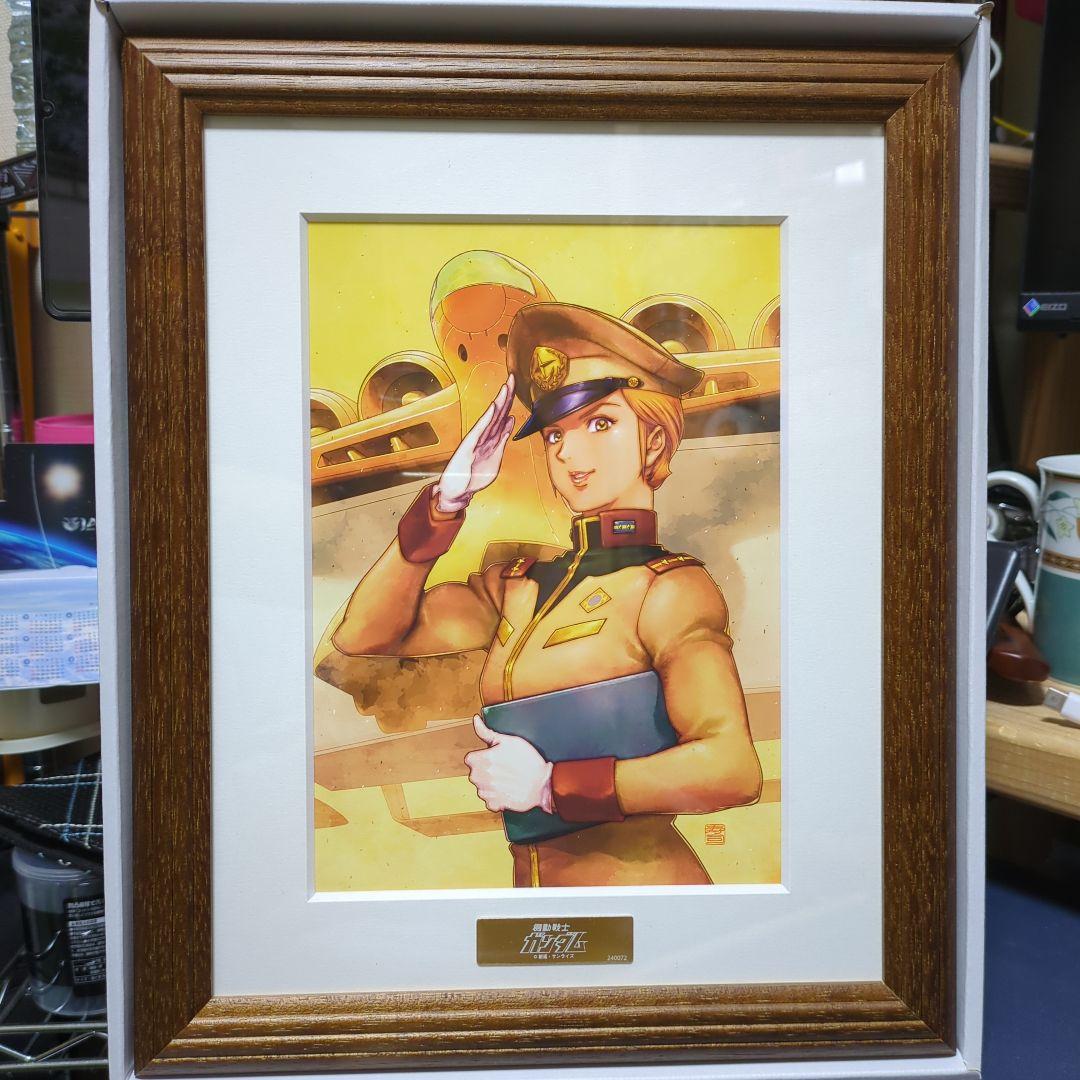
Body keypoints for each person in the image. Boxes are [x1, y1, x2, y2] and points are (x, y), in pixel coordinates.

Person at [331, 302, 762, 887]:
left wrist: (552, 787)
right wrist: (446, 504)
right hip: (536, 898)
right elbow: (364, 639)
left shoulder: (669, 589)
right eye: (555, 433)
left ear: (655, 440)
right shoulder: (516, 584)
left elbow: (731, 768)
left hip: (646, 896)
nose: (567, 453)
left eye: (600, 424)